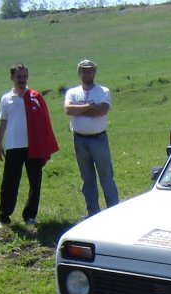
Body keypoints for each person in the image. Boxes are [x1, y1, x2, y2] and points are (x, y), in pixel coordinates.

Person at [0, 64, 59, 231]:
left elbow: (45, 122)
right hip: (14, 146)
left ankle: (30, 215)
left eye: (25, 77)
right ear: (12, 78)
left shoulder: (35, 96)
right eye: (19, 77)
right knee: (9, 183)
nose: (22, 80)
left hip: (34, 146)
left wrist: (45, 146)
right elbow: (3, 122)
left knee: (35, 183)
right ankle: (4, 217)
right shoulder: (6, 99)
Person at [64, 59, 120, 216]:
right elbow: (68, 110)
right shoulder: (72, 92)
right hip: (80, 140)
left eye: (90, 70)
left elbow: (101, 111)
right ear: (79, 73)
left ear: (94, 72)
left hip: (98, 139)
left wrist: (80, 110)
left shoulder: (103, 91)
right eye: (84, 70)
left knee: (106, 176)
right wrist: (90, 106)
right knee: (87, 179)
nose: (87, 73)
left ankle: (113, 210)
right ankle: (92, 212)